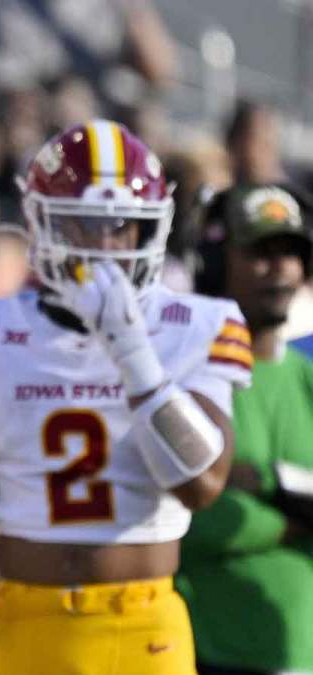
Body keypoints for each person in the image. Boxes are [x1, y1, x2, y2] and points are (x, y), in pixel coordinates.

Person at [0, 120, 251, 675]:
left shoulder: (196, 323)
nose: (106, 245)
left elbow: (203, 484)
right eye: (84, 224)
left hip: (143, 621)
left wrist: (133, 354)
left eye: (122, 226)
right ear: (40, 224)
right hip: (27, 613)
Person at [178, 183, 313, 675]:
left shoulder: (307, 378)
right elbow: (182, 524)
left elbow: (219, 508)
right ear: (215, 262)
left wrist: (267, 480)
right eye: (260, 252)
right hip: (206, 653)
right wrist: (293, 522)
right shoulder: (181, 377)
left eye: (291, 253)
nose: (280, 269)